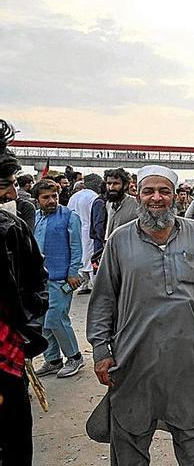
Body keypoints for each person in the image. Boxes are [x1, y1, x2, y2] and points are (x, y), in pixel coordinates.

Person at [87, 165, 194, 465]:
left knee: (192, 431)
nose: (156, 198)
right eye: (149, 191)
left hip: (186, 355)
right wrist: (100, 349)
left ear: (175, 196)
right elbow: (103, 297)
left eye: (164, 191)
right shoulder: (119, 240)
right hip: (133, 356)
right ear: (138, 194)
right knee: (129, 433)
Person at [0, 149, 48, 466]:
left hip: (6, 359)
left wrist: (22, 335)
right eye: (5, 184)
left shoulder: (13, 229)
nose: (11, 193)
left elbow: (35, 286)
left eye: (12, 183)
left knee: (12, 440)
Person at [31, 180, 85, 378]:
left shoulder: (70, 217)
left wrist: (73, 273)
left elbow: (76, 247)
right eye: (46, 197)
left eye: (54, 196)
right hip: (39, 280)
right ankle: (52, 360)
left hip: (62, 279)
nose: (52, 200)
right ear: (37, 199)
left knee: (56, 319)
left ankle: (75, 357)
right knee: (41, 321)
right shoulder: (35, 218)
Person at [67, 173, 102, 294]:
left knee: (80, 258)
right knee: (92, 258)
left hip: (76, 231)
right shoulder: (94, 197)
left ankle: (82, 285)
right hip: (89, 232)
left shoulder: (74, 196)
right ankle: (96, 285)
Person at [104, 168, 139, 237]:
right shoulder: (109, 204)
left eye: (116, 184)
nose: (111, 187)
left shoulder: (136, 204)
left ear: (125, 185)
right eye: (109, 183)